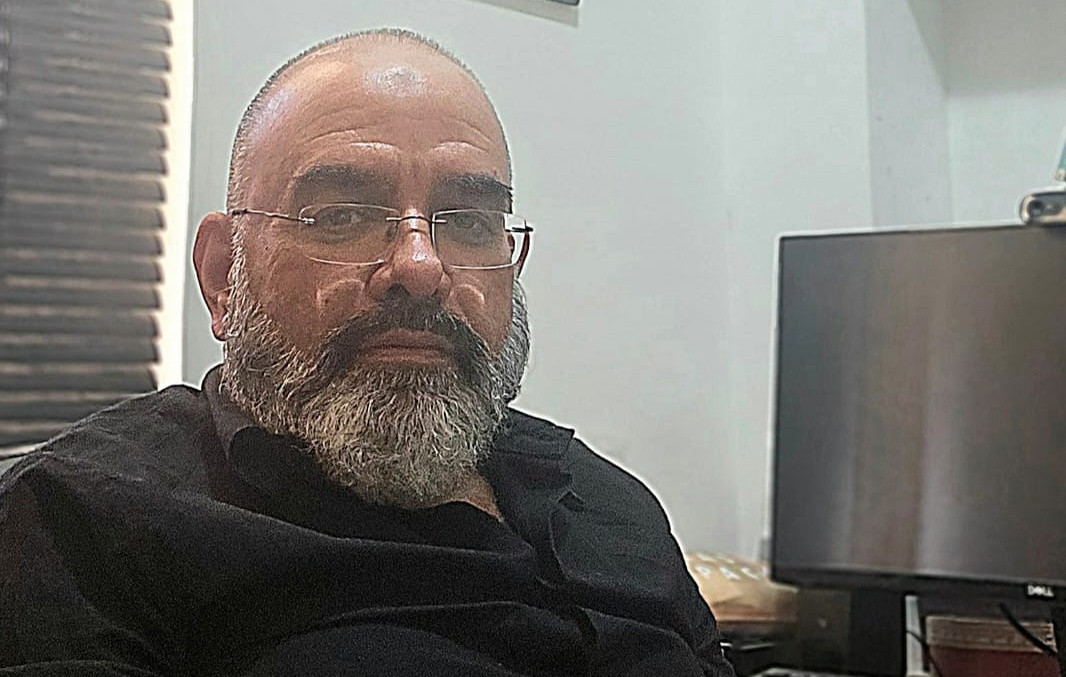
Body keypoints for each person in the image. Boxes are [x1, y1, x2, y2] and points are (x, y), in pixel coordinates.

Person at [0, 29, 735, 676]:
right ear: (224, 275)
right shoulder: (78, 525)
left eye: (469, 222)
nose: (420, 265)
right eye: (343, 215)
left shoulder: (608, 499)